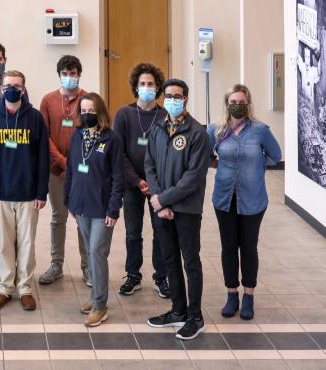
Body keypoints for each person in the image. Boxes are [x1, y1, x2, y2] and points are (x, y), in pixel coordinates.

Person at [0, 70, 49, 311]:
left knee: (27, 244)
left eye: (16, 85)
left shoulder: (35, 118)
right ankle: (5, 288)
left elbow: (43, 158)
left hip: (28, 193)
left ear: (24, 89)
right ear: (1, 89)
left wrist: (41, 192)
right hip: (0, 194)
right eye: (8, 85)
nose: (12, 89)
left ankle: (25, 288)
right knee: (4, 244)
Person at [207, 84, 281, 321]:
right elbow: (207, 155)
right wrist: (223, 167)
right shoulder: (215, 130)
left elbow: (275, 155)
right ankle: (232, 294)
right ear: (226, 104)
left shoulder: (260, 130)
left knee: (248, 248)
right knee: (228, 248)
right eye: (233, 102)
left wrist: (254, 168)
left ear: (248, 104)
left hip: (253, 200)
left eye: (241, 102)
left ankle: (248, 295)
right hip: (224, 198)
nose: (237, 106)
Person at [145, 78, 210, 340]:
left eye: (178, 96)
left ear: (185, 99)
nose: (173, 99)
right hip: (162, 208)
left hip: (186, 209)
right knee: (169, 259)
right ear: (163, 97)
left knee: (190, 261)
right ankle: (178, 311)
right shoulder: (157, 127)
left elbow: (193, 177)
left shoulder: (197, 133)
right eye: (169, 95)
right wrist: (158, 199)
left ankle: (195, 316)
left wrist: (163, 200)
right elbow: (149, 165)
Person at [64, 93, 124, 327]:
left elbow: (118, 178)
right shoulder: (77, 136)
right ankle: (96, 296)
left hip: (102, 208)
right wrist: (68, 199)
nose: (87, 115)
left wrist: (113, 209)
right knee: (89, 252)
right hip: (80, 205)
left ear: (100, 112)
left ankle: (100, 306)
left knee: (98, 253)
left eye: (91, 111)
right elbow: (70, 169)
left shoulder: (111, 139)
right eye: (84, 111)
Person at [113, 63, 170, 298]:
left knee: (161, 231)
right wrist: (137, 181)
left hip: (158, 186)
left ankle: (161, 276)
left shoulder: (165, 115)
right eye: (142, 84)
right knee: (132, 232)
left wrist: (153, 183)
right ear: (136, 87)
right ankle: (133, 275)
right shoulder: (124, 114)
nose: (147, 88)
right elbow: (119, 153)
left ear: (157, 88)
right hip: (131, 184)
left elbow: (168, 154)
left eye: (151, 84)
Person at [38, 55, 89, 286]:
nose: (69, 78)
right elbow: (44, 135)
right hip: (55, 170)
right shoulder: (48, 100)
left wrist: (75, 164)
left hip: (82, 170)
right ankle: (56, 264)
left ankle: (87, 267)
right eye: (65, 74)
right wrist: (61, 161)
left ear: (79, 74)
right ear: (59, 75)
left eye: (73, 73)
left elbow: (91, 133)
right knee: (58, 217)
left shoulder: (88, 100)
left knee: (82, 218)